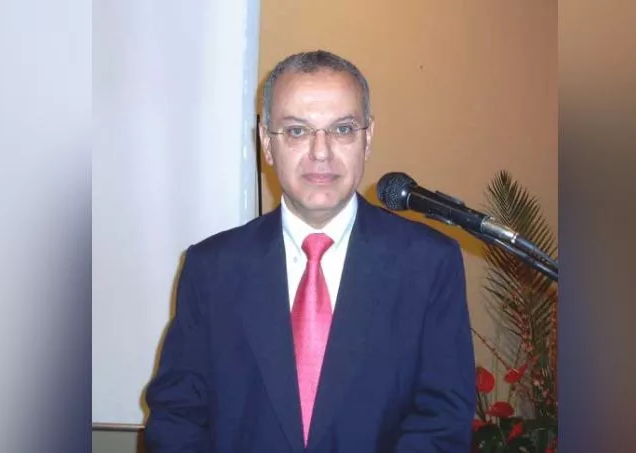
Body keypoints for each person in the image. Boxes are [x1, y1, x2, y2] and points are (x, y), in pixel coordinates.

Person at [144, 49, 475, 452]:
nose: (321, 152)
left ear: (367, 139)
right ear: (266, 143)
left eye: (342, 129)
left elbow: (442, 422)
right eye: (297, 131)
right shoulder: (212, 268)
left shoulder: (428, 264)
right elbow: (177, 415)